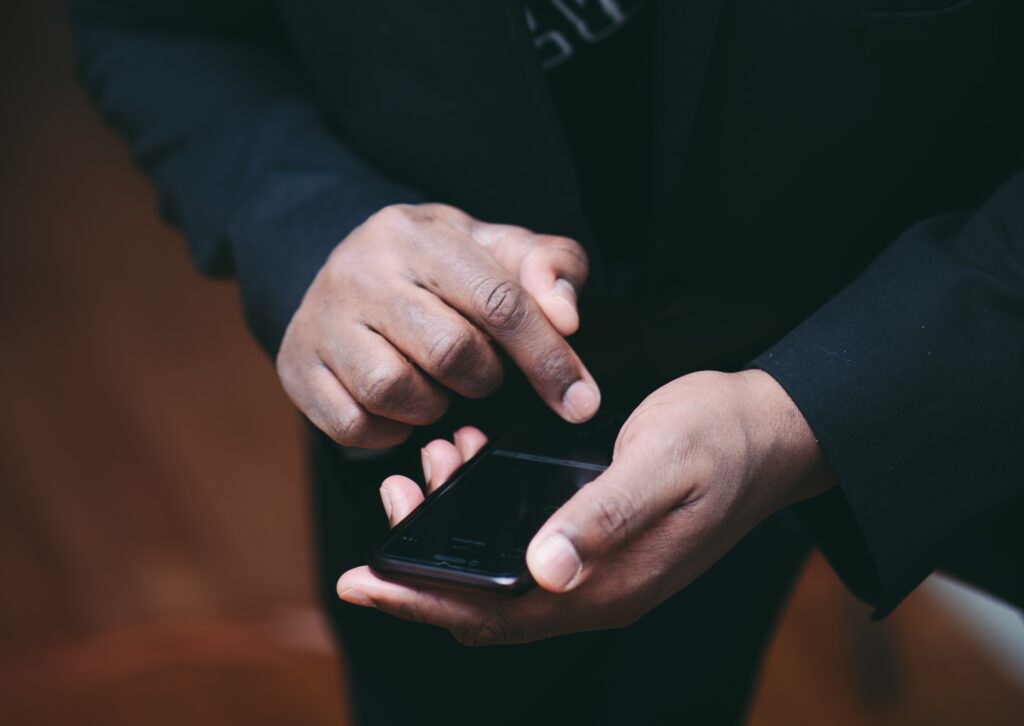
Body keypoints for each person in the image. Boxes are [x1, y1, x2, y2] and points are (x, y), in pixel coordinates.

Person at [74, 0, 1023, 723]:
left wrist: (816, 410)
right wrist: (311, 231)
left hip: (969, 335)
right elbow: (156, 25)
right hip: (466, 401)